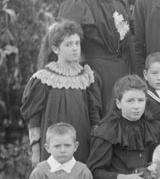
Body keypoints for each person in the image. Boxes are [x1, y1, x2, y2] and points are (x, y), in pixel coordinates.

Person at [63, 0, 139, 110]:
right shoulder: (80, 6)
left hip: (124, 78)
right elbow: (65, 49)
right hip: (96, 81)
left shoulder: (121, 2)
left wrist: (136, 80)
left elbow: (130, 45)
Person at [21, 19, 101, 163]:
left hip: (81, 142)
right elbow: (34, 118)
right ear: (56, 49)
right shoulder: (44, 78)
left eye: (77, 43)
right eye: (68, 44)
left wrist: (96, 147)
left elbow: (93, 114)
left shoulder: (86, 76)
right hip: (53, 145)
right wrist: (36, 150)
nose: (75, 48)